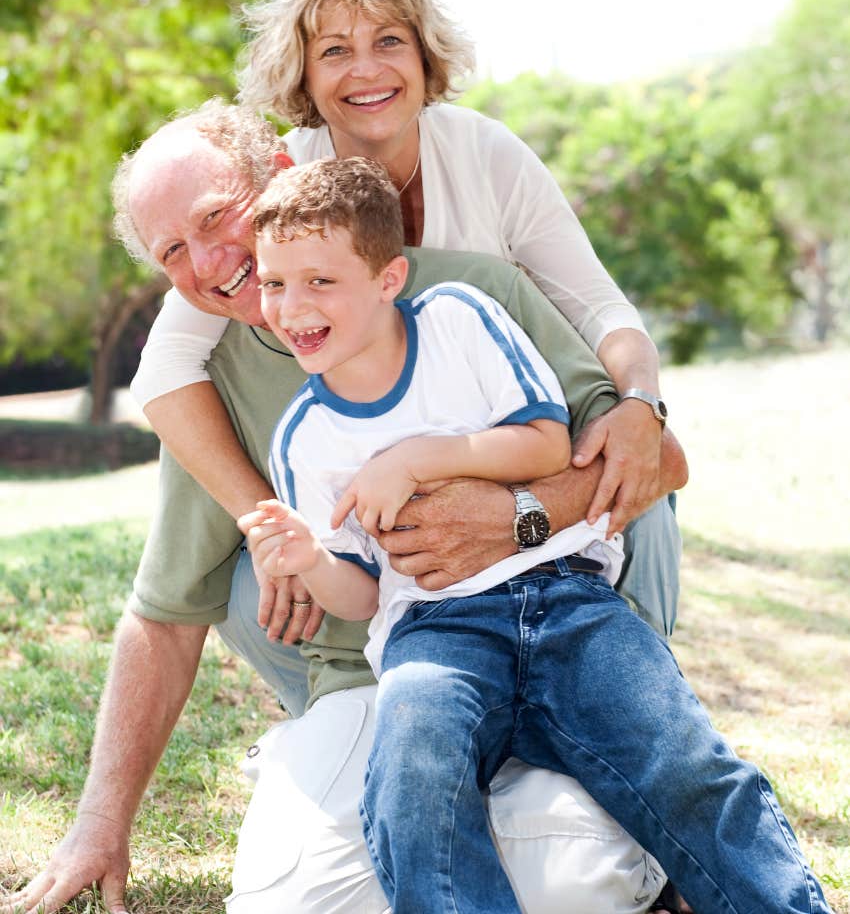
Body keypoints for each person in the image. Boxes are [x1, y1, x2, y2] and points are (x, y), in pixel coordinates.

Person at [2, 102, 690, 914]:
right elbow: (163, 612)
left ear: (283, 179)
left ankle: (637, 817)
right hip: (367, 684)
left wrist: (509, 515)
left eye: (218, 217)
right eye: (173, 252)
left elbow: (656, 463)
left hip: (543, 647)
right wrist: (97, 827)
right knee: (286, 907)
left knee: (575, 887)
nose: (210, 259)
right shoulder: (210, 381)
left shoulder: (468, 295)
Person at [247, 155, 833, 914]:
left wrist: (418, 458)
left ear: (388, 279)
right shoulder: (304, 439)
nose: (292, 306)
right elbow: (360, 594)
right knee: (412, 784)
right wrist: (309, 560)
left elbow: (547, 442)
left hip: (567, 599)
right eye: (273, 283)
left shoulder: (459, 319)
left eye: (320, 280)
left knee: (685, 765)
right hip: (434, 632)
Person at [130, 0, 681, 644]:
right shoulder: (279, 190)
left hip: (504, 453)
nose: (366, 71)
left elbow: (600, 309)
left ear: (424, 55)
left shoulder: (487, 157)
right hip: (377, 517)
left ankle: (642, 675)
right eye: (333, 51)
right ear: (302, 75)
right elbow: (165, 368)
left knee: (641, 473)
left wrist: (641, 400)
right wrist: (269, 520)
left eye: (389, 41)